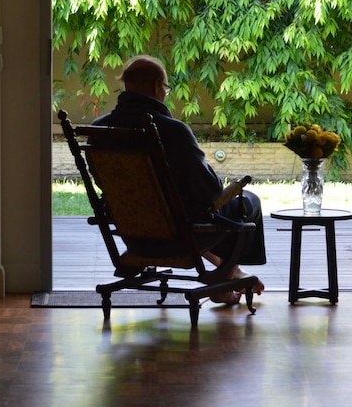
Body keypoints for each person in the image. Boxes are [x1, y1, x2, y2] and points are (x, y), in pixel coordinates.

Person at [92, 55, 266, 304]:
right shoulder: (172, 130)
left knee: (183, 211)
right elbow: (210, 192)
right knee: (248, 202)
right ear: (156, 88)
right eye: (165, 87)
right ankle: (226, 276)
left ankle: (228, 272)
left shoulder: (99, 130)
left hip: (131, 232)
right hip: (177, 235)